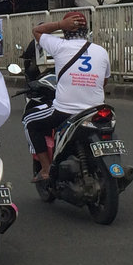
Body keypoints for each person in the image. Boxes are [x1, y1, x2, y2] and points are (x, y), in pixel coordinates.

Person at [23, 11, 110, 182]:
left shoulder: (60, 46)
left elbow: (36, 31)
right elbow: (104, 82)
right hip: (96, 110)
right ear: (87, 31)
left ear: (65, 31)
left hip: (65, 112)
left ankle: (47, 169)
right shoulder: (101, 51)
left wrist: (58, 25)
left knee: (29, 121)